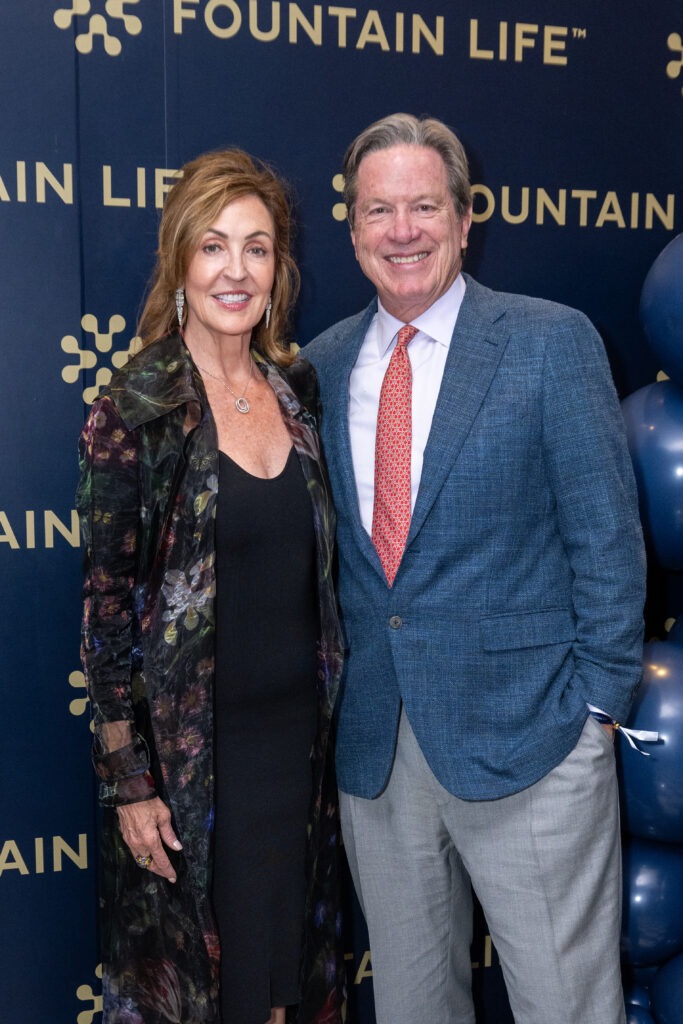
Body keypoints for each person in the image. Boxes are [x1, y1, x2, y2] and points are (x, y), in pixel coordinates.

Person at [305, 113, 646, 1024]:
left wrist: (595, 713)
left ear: (464, 219)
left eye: (423, 206)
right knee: (413, 1008)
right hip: (376, 753)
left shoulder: (549, 341)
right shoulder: (316, 366)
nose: (401, 230)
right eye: (378, 211)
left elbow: (607, 542)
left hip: (534, 741)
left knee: (565, 1007)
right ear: (352, 231)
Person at [77, 149, 345, 1024]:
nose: (237, 270)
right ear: (181, 261)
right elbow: (106, 608)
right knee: (205, 1000)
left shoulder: (294, 388)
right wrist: (132, 783)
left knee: (284, 991)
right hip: (192, 767)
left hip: (298, 758)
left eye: (258, 247)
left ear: (279, 267)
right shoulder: (136, 404)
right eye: (215, 246)